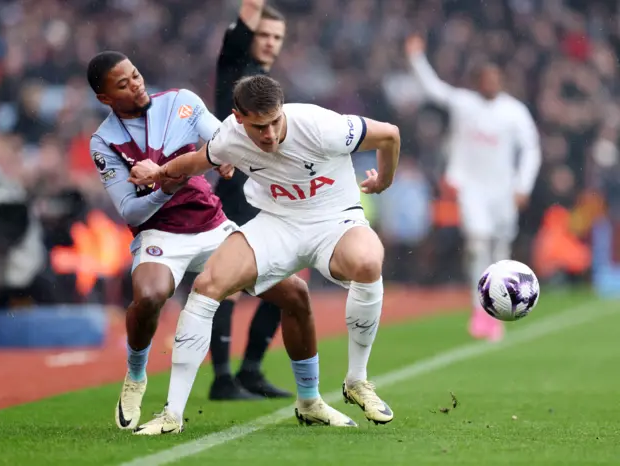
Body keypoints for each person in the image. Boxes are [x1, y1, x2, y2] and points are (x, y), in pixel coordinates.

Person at [87, 52, 341, 434]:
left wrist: (224, 157)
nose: (135, 85)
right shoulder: (104, 141)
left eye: (136, 75)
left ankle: (310, 400)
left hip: (211, 225)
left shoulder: (180, 103)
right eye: (122, 85)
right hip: (160, 233)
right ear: (105, 98)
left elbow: (222, 136)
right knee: (151, 296)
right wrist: (167, 187)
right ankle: (136, 375)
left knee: (295, 294)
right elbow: (130, 213)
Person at [129, 75, 400, 429]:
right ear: (239, 118)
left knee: (367, 261)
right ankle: (172, 415)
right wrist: (159, 171)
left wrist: (384, 179)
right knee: (208, 284)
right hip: (277, 223)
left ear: (283, 109)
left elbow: (390, 134)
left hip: (334, 221)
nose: (269, 134)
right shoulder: (228, 136)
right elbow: (194, 163)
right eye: (259, 127)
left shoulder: (321, 126)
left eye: (275, 122)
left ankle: (356, 381)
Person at [404, 35, 542, 342]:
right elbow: (433, 89)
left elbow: (531, 148)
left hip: (504, 191)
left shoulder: (514, 111)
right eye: (485, 79)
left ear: (501, 82)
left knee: (501, 248)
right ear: (477, 82)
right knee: (478, 243)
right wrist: (416, 58)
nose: (490, 83)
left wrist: (523, 185)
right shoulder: (464, 103)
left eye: (495, 79)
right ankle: (480, 310)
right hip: (472, 188)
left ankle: (502, 305)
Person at [209, 0, 291, 400]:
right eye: (265, 35)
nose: (272, 43)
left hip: (264, 195)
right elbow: (251, 8)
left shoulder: (267, 86)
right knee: (227, 285)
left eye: (278, 38)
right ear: (249, 35)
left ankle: (250, 371)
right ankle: (223, 377)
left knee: (285, 285)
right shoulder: (235, 66)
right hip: (232, 194)